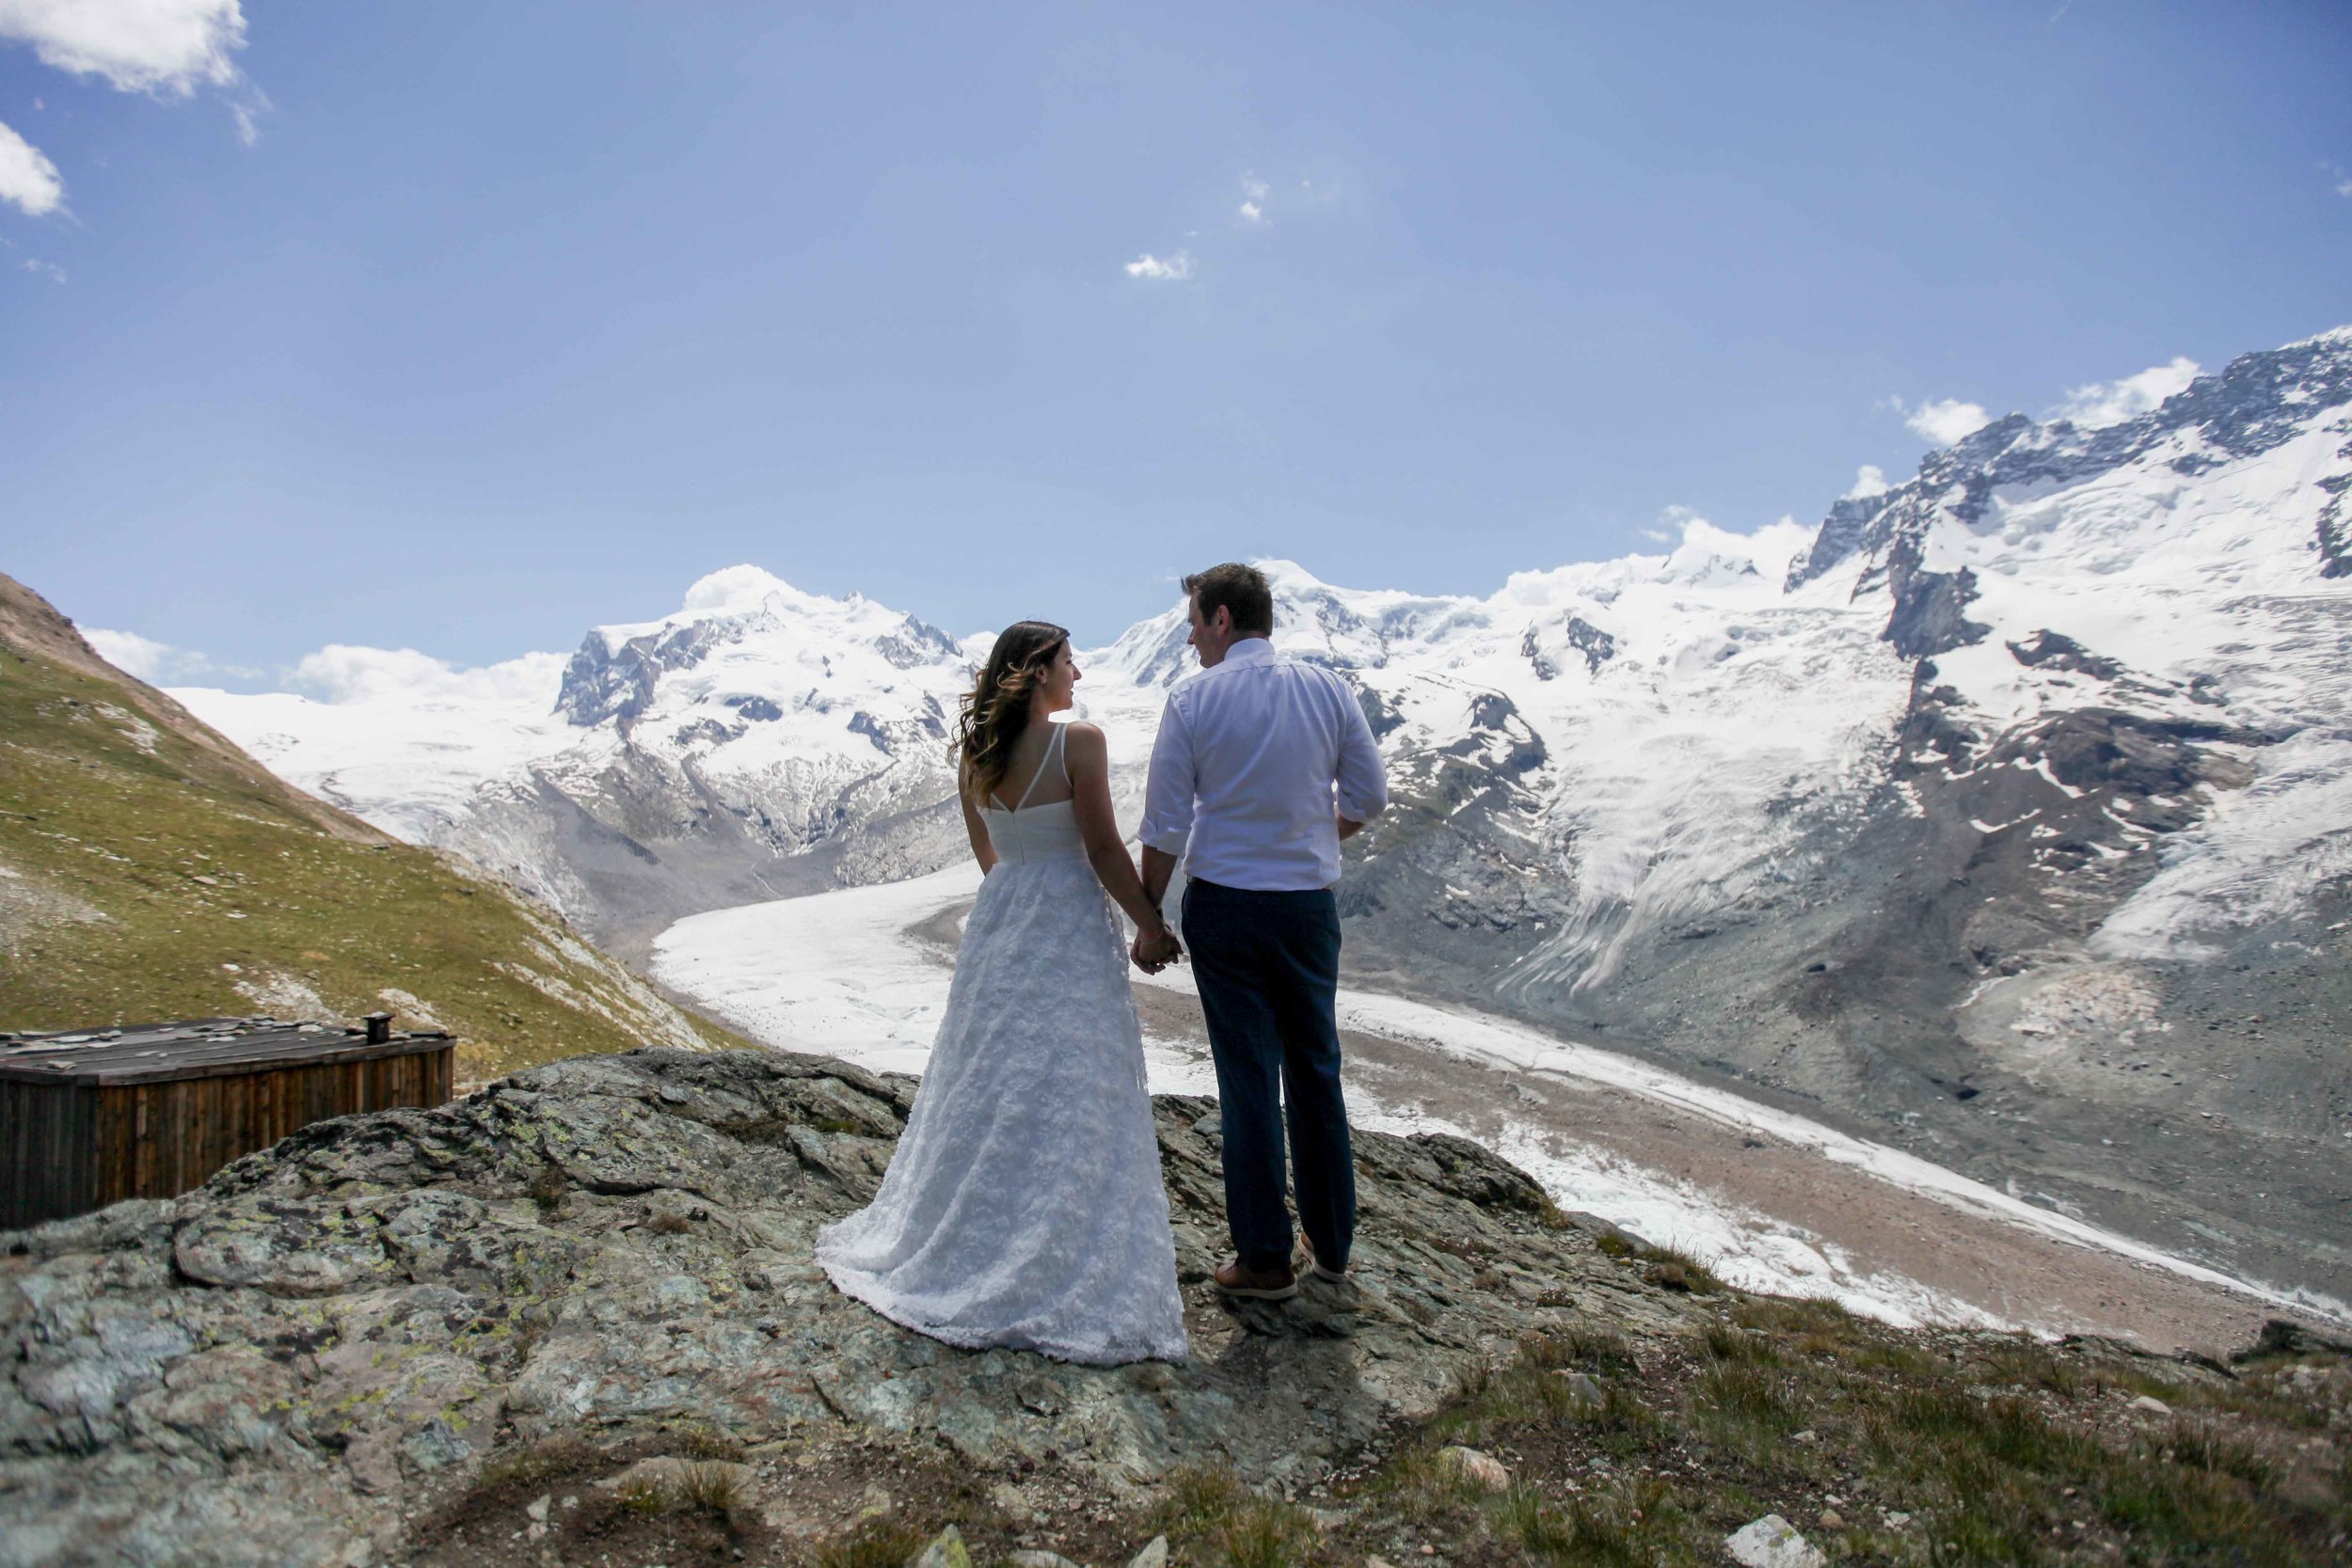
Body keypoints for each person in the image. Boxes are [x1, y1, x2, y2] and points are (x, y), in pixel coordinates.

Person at [816, 621, 1189, 1365]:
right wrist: (1150, 924)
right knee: (1072, 1076)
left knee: (988, 1074)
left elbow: (988, 854)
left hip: (1004, 919)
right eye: (1067, 661)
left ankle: (971, 1226)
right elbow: (1105, 848)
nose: (1077, 673)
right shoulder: (1078, 742)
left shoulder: (977, 752)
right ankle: (1055, 1241)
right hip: (1067, 922)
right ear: (1038, 671)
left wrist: (1019, 901)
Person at [1137, 564, 1390, 1301]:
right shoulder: (1328, 689)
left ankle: (1264, 1260)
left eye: (1193, 621)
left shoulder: (1191, 699)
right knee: (1317, 1068)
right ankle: (1334, 1250)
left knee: (1248, 1077)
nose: (1188, 637)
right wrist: (1318, 831)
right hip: (1307, 906)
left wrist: (1151, 917)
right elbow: (1370, 794)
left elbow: (1165, 825)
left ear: (1221, 618)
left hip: (1226, 907)